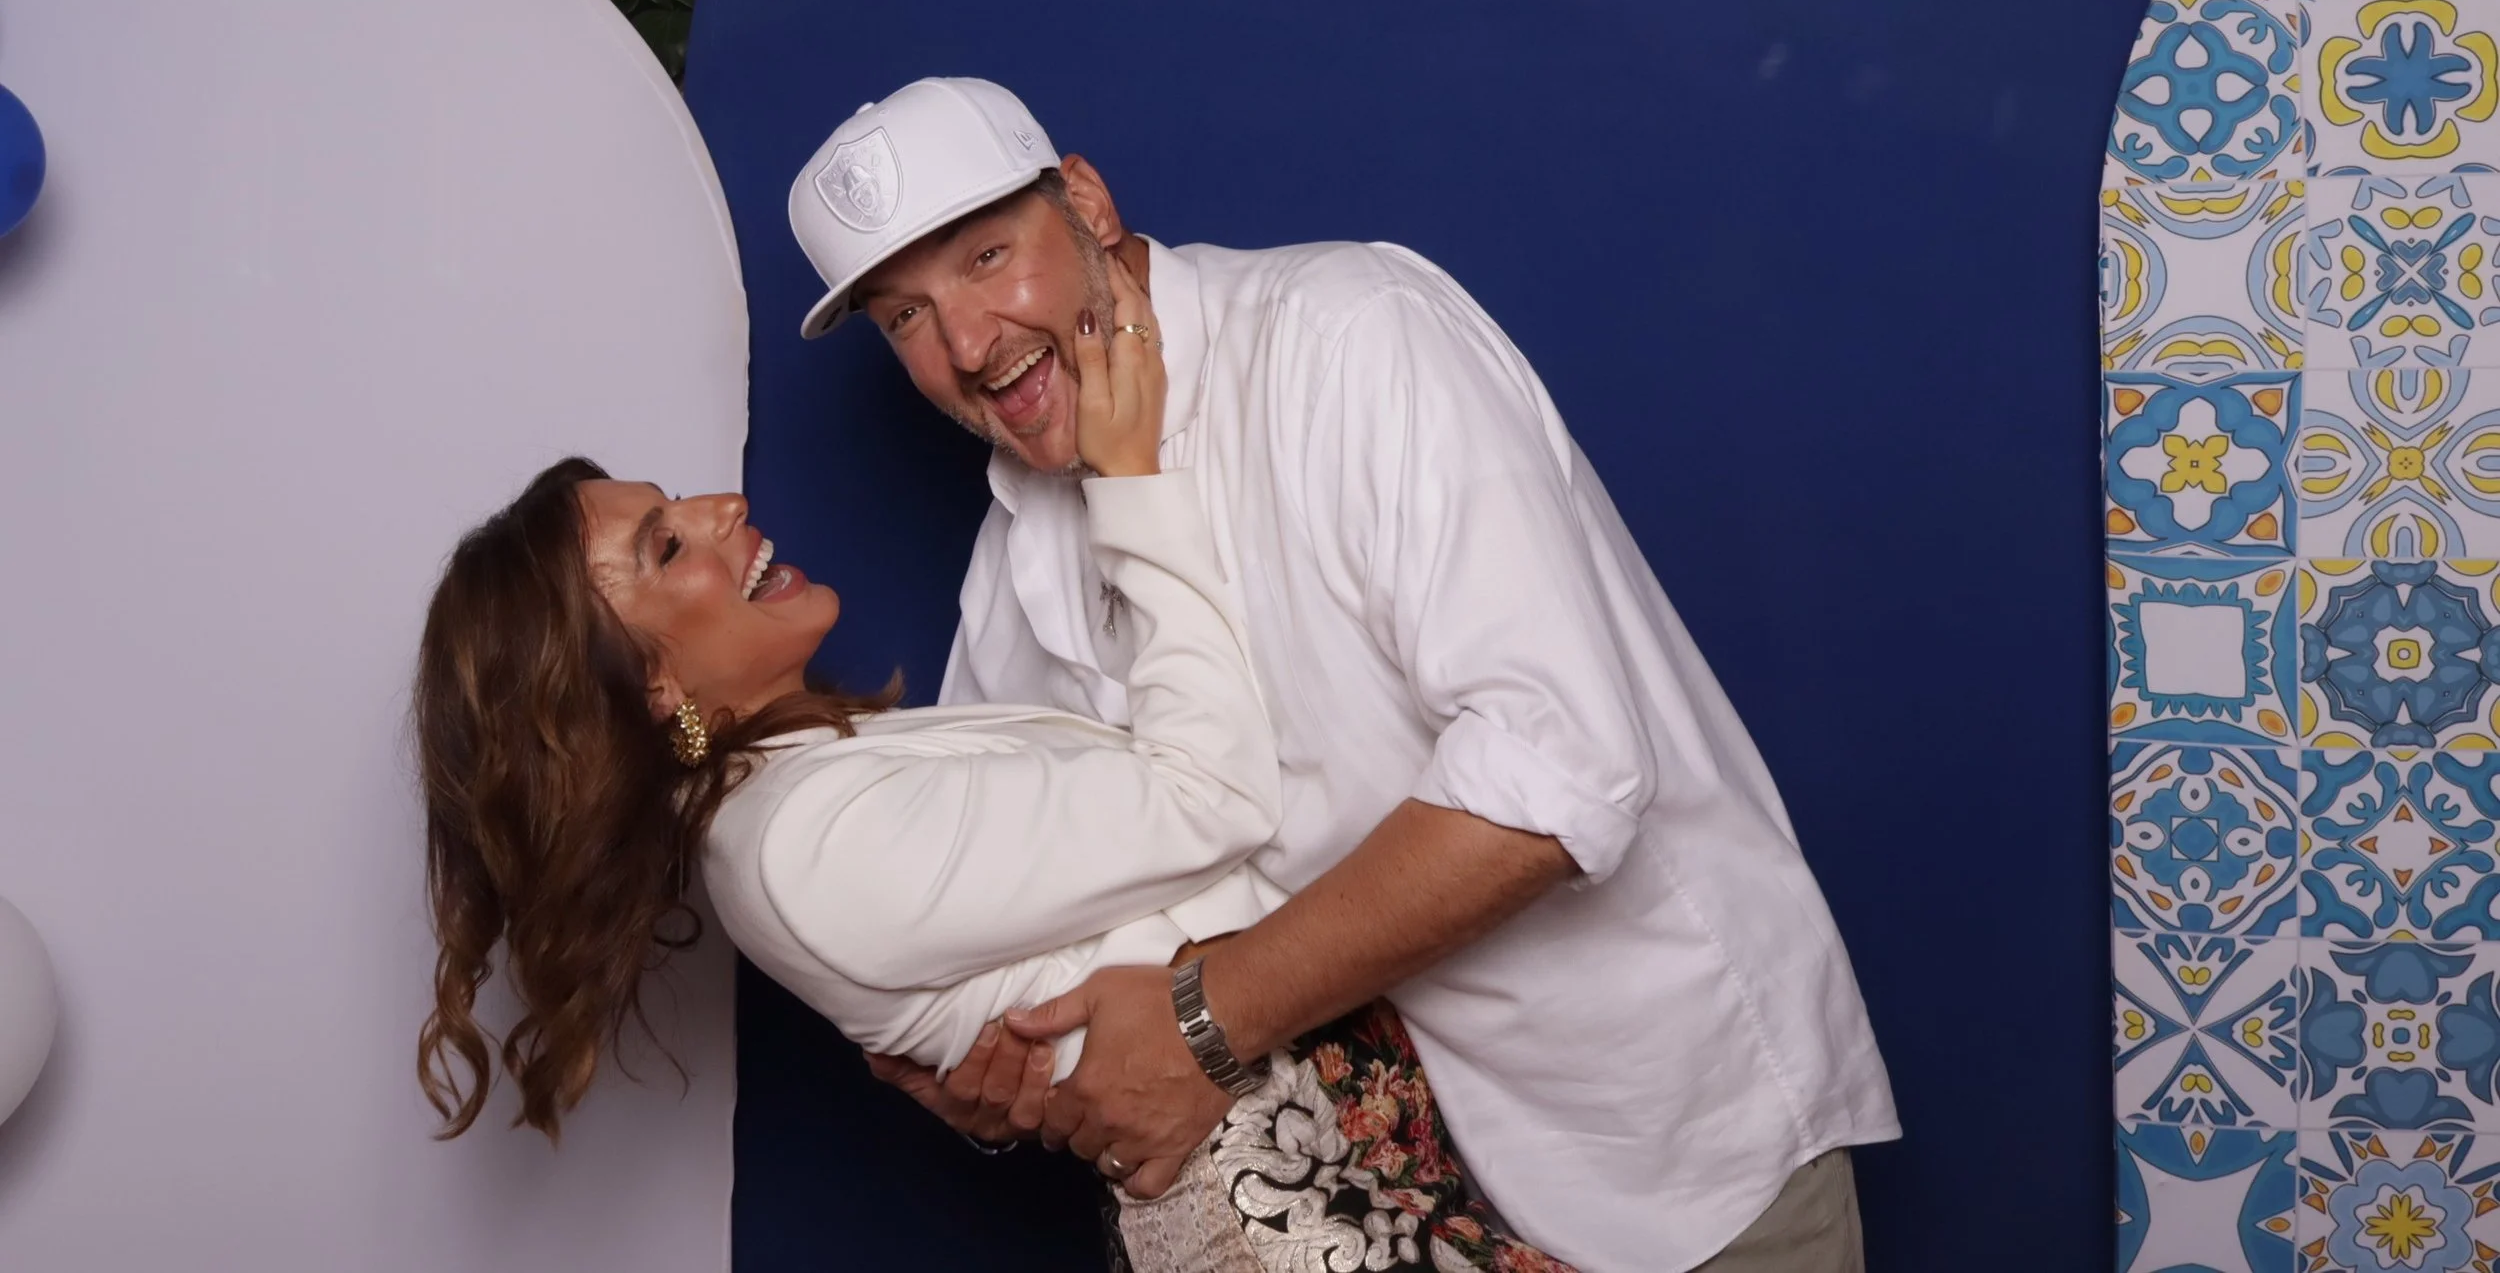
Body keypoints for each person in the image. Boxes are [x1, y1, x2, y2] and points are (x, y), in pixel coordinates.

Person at [787, 76, 1900, 1273]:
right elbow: (1015, 901)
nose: (966, 345)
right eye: (905, 317)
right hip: (1374, 1204)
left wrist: (1202, 1024)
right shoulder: (1016, 546)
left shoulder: (1351, 334)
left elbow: (1555, 773)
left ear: (1088, 204)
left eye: (987, 257)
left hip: (1658, 1141)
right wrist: (984, 1055)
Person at [412, 265, 1581, 1272]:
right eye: (668, 544)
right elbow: (1212, 796)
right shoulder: (798, 843)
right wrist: (1133, 486)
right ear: (651, 692)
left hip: (1355, 1147)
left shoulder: (818, 779)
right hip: (1289, 1213)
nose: (725, 505)